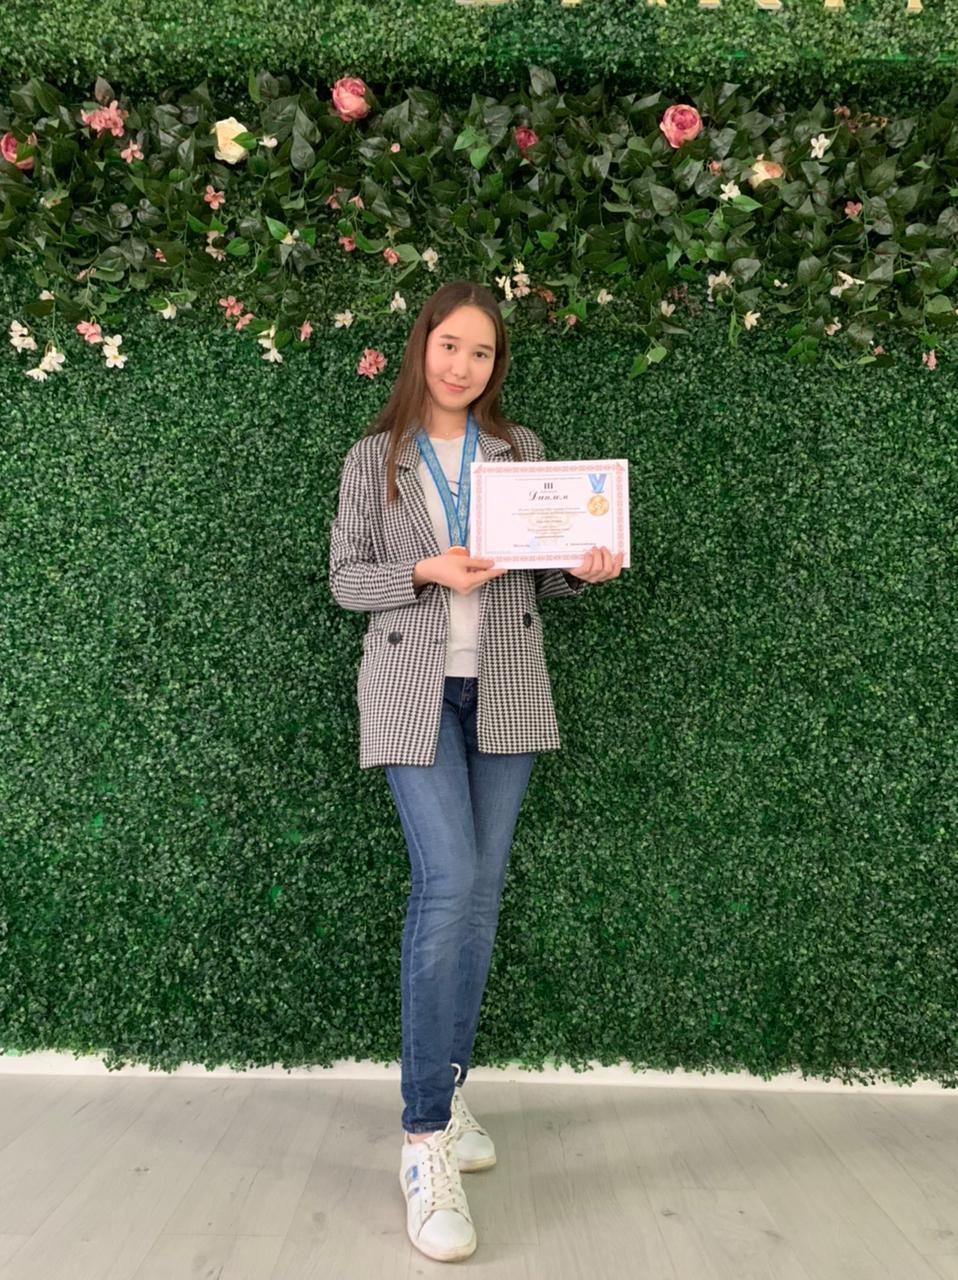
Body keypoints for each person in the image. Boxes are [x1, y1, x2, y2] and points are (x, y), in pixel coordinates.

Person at [328, 279, 623, 1263]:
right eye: (449, 345)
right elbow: (346, 580)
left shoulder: (519, 450)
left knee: (481, 895)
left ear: (497, 366)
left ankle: (450, 1094)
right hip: (410, 694)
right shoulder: (374, 457)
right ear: (422, 347)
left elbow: (538, 565)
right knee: (447, 881)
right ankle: (422, 1138)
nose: (462, 365)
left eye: (482, 352)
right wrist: (423, 569)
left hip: (506, 691)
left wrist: (579, 565)